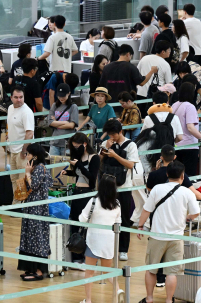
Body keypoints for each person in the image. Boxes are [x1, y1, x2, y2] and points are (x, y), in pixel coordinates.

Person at [136, 161, 200, 303]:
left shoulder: (157, 189)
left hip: (157, 236)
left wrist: (140, 226)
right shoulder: (186, 192)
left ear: (167, 174)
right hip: (176, 238)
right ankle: (169, 300)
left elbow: (147, 210)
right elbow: (196, 212)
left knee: (151, 269)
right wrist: (188, 217)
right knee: (172, 273)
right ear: (182, 176)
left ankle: (149, 298)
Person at [79, 174, 124, 302]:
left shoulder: (94, 201)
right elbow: (118, 223)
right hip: (109, 241)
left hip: (94, 240)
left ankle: (88, 300)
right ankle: (118, 290)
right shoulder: (117, 204)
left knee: (89, 272)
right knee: (107, 271)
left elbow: (82, 219)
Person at [99, 120, 139, 261]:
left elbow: (130, 165)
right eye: (109, 134)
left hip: (124, 187)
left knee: (124, 219)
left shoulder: (131, 145)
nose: (112, 137)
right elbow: (98, 162)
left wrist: (115, 155)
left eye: (114, 134)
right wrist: (104, 151)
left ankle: (123, 250)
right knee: (105, 218)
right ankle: (108, 248)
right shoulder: (106, 143)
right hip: (107, 186)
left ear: (120, 131)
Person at [61, 132, 100, 265]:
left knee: (85, 226)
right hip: (76, 192)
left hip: (87, 194)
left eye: (78, 146)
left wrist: (78, 165)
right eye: (74, 146)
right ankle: (75, 254)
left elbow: (91, 177)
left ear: (84, 144)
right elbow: (79, 174)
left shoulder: (94, 158)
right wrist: (69, 171)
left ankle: (86, 256)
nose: (76, 149)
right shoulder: (78, 157)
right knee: (74, 223)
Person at [16, 143, 51, 281]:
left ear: (35, 156)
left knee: (36, 237)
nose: (27, 156)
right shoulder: (37, 168)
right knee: (29, 236)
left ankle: (39, 270)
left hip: (37, 209)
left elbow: (34, 185)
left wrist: (27, 174)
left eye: (29, 154)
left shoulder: (40, 169)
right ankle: (30, 268)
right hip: (32, 207)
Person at [172, 82, 201, 181]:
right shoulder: (190, 106)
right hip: (190, 146)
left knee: (178, 177)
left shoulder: (174, 105)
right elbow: (190, 127)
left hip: (177, 145)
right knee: (189, 177)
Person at [7, 88, 35, 197]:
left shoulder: (26, 112)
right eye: (16, 97)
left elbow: (30, 133)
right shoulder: (10, 108)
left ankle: (20, 205)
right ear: (11, 98)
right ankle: (16, 202)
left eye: (21, 97)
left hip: (22, 152)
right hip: (13, 150)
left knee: (21, 181)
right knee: (14, 179)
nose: (19, 100)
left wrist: (24, 151)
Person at [137, 40, 173, 106]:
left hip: (140, 94)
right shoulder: (165, 64)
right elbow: (169, 85)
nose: (170, 52)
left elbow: (137, 73)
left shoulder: (144, 58)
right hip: (156, 97)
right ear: (163, 52)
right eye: (169, 50)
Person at [48, 83, 78, 155]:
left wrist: (56, 123)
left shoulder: (73, 107)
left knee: (66, 165)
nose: (61, 98)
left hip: (68, 143)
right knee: (53, 165)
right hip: (55, 142)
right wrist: (66, 122)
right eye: (59, 96)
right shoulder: (54, 105)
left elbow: (72, 125)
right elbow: (50, 123)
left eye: (63, 96)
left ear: (69, 93)